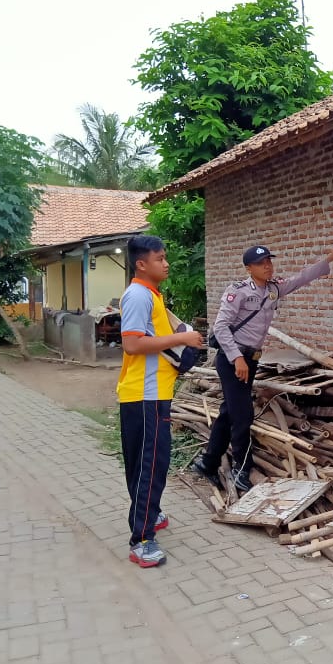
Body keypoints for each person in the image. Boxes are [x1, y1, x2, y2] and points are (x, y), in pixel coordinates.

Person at [192, 242, 333, 494]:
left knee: (229, 412)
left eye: (269, 262)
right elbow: (221, 327)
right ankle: (242, 469)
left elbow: (300, 278)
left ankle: (208, 462)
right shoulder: (238, 291)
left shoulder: (273, 290)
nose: (267, 266)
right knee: (243, 416)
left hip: (250, 360)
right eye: (262, 263)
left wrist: (331, 257)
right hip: (233, 360)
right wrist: (236, 359)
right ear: (249, 268)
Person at [117, 235, 203, 568]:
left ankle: (149, 515)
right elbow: (132, 345)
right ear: (142, 264)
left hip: (146, 393)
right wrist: (183, 337)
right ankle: (141, 540)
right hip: (146, 395)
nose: (166, 263)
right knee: (152, 466)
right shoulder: (139, 295)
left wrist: (181, 340)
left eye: (165, 257)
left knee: (143, 464)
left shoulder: (149, 295)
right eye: (160, 258)